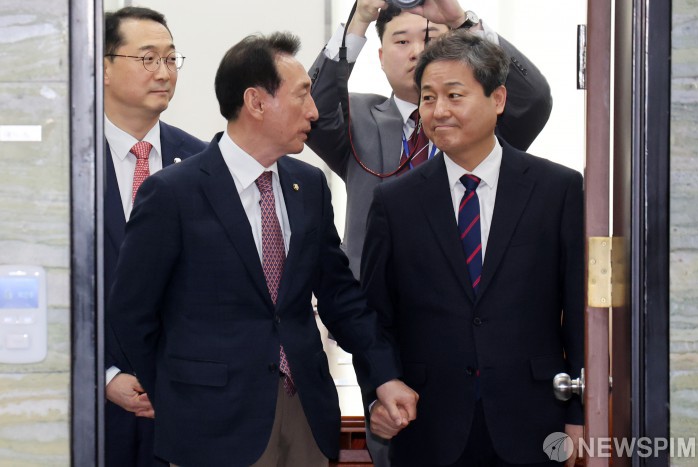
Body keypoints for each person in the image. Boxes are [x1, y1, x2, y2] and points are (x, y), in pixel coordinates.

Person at [106, 32, 418, 467]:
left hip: (305, 414)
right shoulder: (173, 193)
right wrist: (175, 396)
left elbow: (340, 297)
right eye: (302, 95)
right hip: (212, 426)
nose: (314, 111)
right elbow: (132, 311)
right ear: (255, 102)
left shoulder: (308, 185)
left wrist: (384, 374)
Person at [359, 29, 584, 466]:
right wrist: (378, 392)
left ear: (497, 99)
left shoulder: (557, 189)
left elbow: (579, 313)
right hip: (428, 424)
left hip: (535, 420)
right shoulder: (395, 201)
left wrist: (578, 413)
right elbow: (375, 316)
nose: (438, 110)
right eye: (428, 98)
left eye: (454, 95)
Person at [307, 0, 553, 278]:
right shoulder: (358, 117)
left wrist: (463, 23)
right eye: (402, 42)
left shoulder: (484, 121)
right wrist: (358, 23)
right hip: (375, 296)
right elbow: (309, 111)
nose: (418, 52)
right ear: (381, 57)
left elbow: (533, 99)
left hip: (470, 291)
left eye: (431, 39)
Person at [102, 6, 206, 466]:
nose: (164, 73)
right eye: (147, 58)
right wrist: (104, 375)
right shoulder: (65, 162)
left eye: (170, 59)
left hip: (183, 402)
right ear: (103, 67)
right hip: (90, 406)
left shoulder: (202, 162)